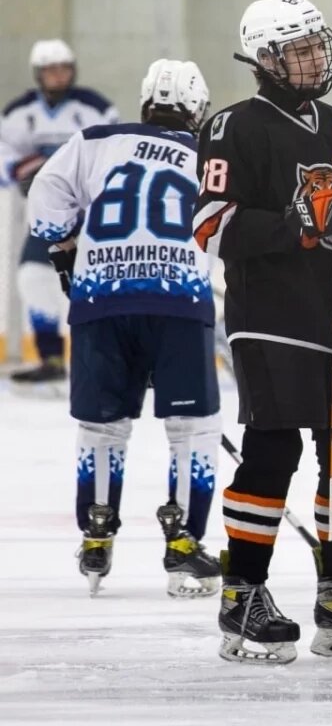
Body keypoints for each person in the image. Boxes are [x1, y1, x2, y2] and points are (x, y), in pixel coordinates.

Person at [191, 0, 332, 664]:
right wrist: (293, 224)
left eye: (314, 46)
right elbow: (212, 225)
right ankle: (241, 594)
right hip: (269, 314)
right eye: (296, 50)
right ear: (264, 59)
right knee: (274, 449)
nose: (312, 60)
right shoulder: (232, 127)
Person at [26, 59, 220, 599]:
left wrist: (64, 248)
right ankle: (183, 545)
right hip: (178, 300)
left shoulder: (94, 140)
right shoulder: (207, 154)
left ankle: (96, 534)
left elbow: (45, 201)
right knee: (193, 429)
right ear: (197, 109)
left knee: (102, 428)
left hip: (100, 300)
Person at [1, 39, 118, 389]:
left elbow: (114, 152)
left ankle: (108, 357)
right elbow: (4, 156)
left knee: (101, 283)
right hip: (47, 214)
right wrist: (20, 168)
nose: (58, 76)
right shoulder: (20, 111)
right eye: (51, 70)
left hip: (91, 215)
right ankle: (51, 356)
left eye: (64, 68)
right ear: (39, 74)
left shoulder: (94, 107)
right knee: (33, 277)